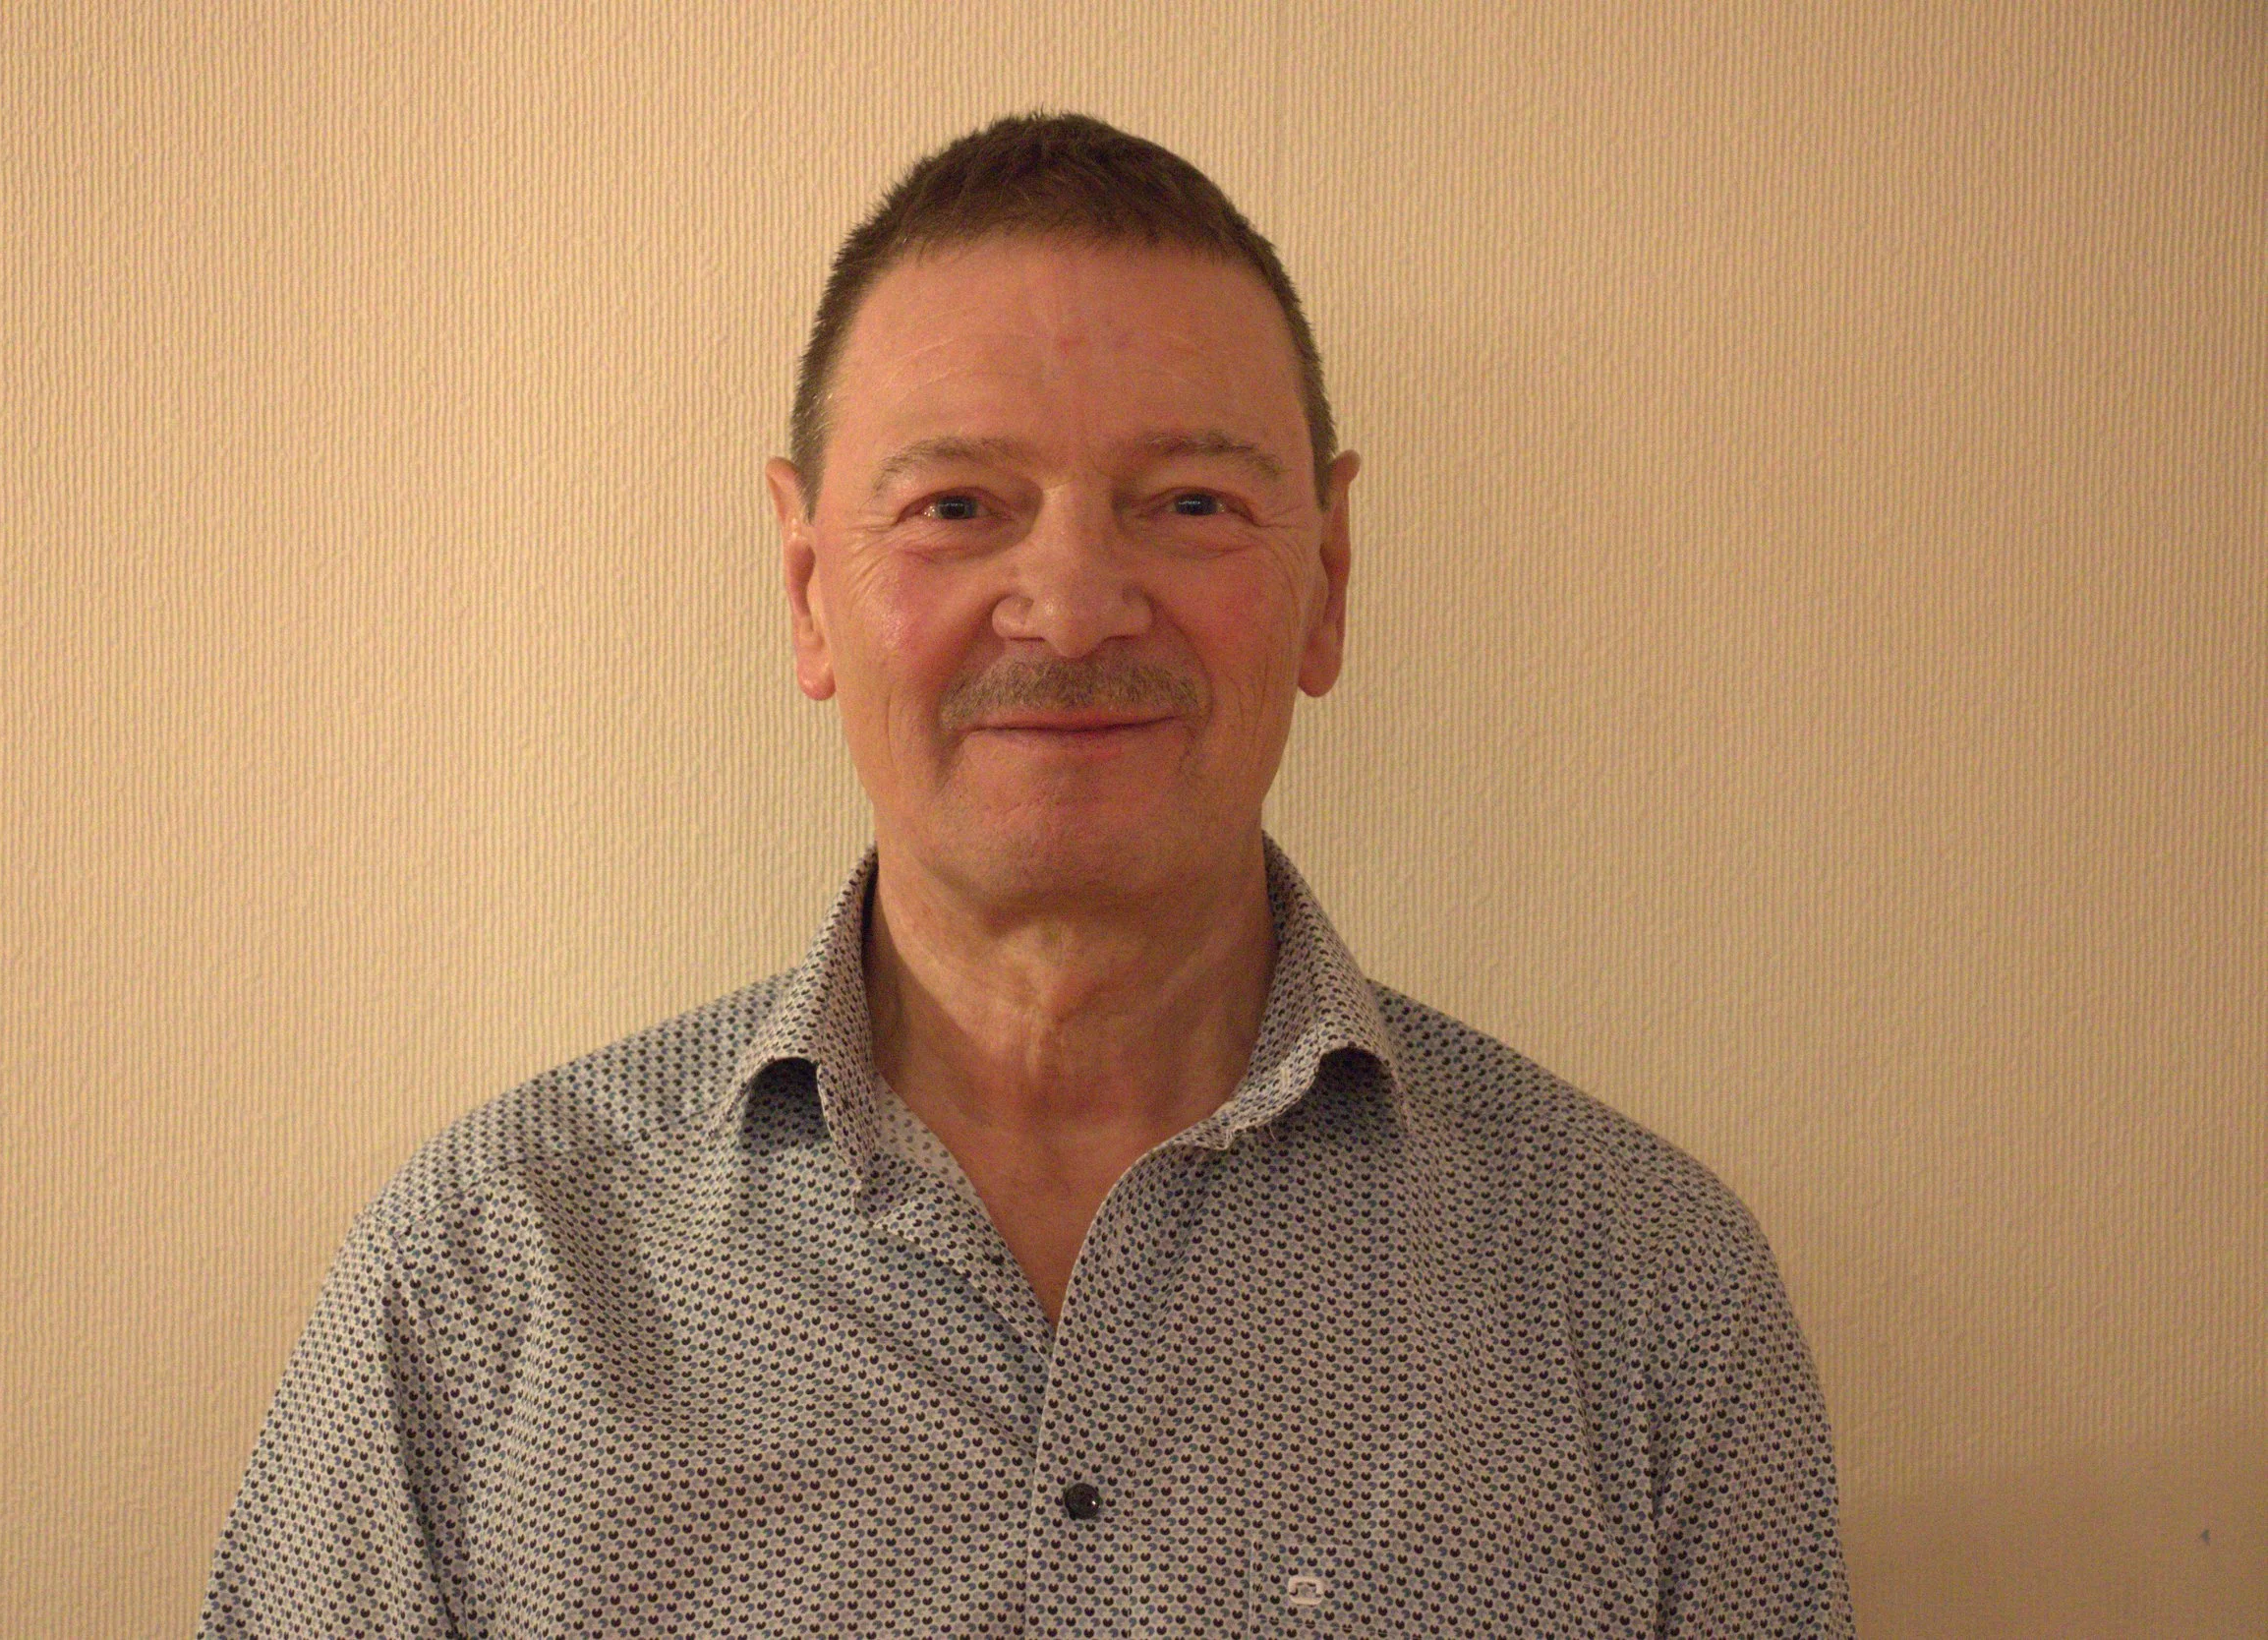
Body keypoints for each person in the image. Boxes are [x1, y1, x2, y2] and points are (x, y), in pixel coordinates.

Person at [201, 112, 1851, 1637]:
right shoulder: (488, 1279)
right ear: (806, 587)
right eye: (959, 506)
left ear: (1326, 579)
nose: (1070, 604)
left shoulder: (1643, 1296)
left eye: (1189, 501)